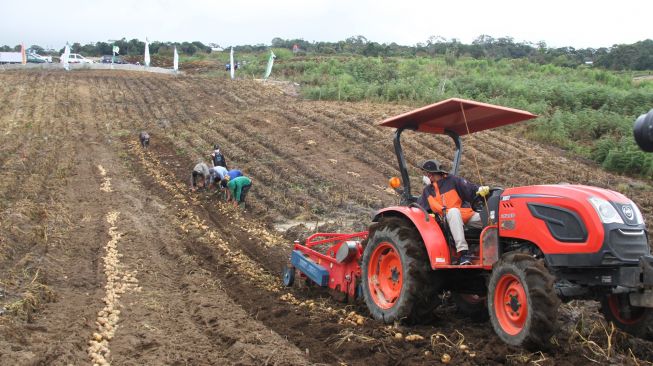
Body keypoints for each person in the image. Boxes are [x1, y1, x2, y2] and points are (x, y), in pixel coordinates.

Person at [417, 159, 489, 265]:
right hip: (445, 219)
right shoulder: (428, 191)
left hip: (465, 215)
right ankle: (463, 253)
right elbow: (419, 208)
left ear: (438, 172)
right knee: (453, 212)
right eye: (427, 174)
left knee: (491, 218)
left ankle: (498, 247)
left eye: (430, 173)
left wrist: (480, 189)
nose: (428, 176)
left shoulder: (453, 181)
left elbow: (470, 189)